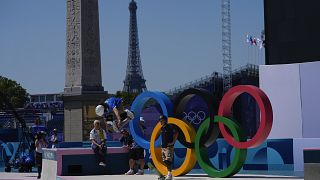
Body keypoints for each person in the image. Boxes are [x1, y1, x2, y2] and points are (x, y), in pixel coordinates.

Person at [159, 115, 178, 180]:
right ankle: (168, 174)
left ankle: (170, 175)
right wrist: (161, 144)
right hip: (163, 147)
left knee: (168, 160)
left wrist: (173, 142)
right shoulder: (162, 128)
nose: (160, 121)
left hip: (169, 147)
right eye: (159, 120)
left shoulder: (169, 126)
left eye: (161, 119)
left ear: (164, 120)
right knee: (165, 161)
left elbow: (176, 133)